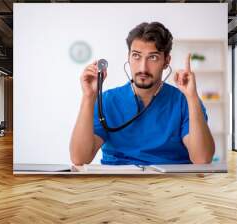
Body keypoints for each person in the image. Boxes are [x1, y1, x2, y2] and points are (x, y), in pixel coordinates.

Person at [70, 21, 215, 165]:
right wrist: (88, 96)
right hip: (117, 183)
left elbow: (202, 159)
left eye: (153, 57)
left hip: (172, 183)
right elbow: (79, 159)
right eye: (136, 56)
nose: (143, 67)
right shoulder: (106, 101)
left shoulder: (185, 102)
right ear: (128, 57)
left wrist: (192, 97)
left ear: (166, 61)